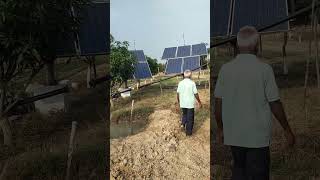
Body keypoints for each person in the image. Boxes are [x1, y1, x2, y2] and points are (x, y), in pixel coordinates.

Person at [214, 26, 295, 180]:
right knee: (258, 173)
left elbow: (218, 104)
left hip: (234, 135)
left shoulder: (225, 69)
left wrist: (220, 129)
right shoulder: (264, 70)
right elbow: (275, 103)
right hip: (257, 137)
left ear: (238, 45)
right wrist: (287, 130)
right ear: (256, 45)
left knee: (239, 169)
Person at [177, 69, 202, 136]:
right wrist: (199, 102)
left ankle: (183, 124)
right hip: (190, 104)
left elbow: (178, 93)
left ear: (184, 75)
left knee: (184, 114)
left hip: (183, 103)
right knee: (190, 119)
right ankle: (188, 133)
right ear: (190, 75)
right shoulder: (192, 83)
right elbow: (196, 94)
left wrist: (179, 101)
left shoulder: (180, 83)